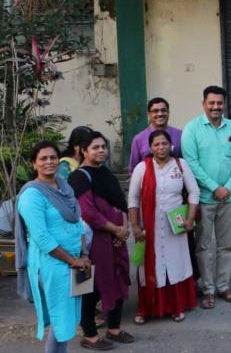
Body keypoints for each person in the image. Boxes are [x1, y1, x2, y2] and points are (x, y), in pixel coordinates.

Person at [16, 141, 89, 353]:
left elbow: (78, 222)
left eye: (53, 157)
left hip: (75, 260)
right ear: (34, 164)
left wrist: (83, 254)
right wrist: (73, 261)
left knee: (66, 322)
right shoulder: (32, 195)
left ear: (59, 160)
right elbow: (42, 238)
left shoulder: (65, 187)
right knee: (61, 323)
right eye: (43, 158)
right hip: (52, 265)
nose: (49, 162)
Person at [182, 86, 231, 309]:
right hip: (205, 199)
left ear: (224, 104)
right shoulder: (192, 129)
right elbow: (191, 164)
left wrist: (227, 187)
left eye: (220, 103)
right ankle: (207, 289)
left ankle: (223, 286)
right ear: (204, 104)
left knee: (227, 245)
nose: (216, 107)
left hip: (229, 197)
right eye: (212, 103)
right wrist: (214, 187)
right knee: (204, 245)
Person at [69, 131, 133, 348]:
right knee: (92, 286)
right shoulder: (79, 177)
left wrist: (124, 228)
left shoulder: (107, 173)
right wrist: (115, 229)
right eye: (95, 147)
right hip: (95, 242)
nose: (101, 151)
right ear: (83, 151)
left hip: (116, 240)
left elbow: (121, 202)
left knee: (119, 279)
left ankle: (114, 329)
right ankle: (90, 335)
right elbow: (88, 213)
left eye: (103, 147)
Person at [127, 130, 199, 323]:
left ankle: (176, 306)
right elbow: (133, 199)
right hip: (148, 226)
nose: (161, 147)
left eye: (164, 143)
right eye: (156, 144)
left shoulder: (180, 165)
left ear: (171, 145)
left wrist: (190, 219)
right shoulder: (142, 168)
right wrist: (134, 226)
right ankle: (146, 308)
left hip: (175, 225)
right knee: (149, 266)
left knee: (176, 264)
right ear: (150, 148)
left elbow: (194, 192)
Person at [128, 98, 183, 174]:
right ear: (149, 114)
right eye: (155, 111)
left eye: (163, 110)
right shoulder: (139, 139)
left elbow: (186, 163)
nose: (160, 114)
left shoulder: (180, 135)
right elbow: (133, 168)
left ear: (168, 112)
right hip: (149, 183)